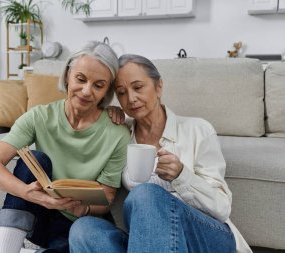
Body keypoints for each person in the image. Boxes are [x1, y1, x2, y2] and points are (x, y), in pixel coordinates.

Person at [69, 54, 252, 253]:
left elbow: (221, 208)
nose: (131, 99)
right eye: (121, 93)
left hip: (207, 236)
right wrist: (103, 117)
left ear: (158, 87)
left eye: (138, 87)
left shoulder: (198, 130)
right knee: (84, 229)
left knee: (145, 194)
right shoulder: (120, 135)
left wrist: (182, 175)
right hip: (149, 238)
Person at [0, 41, 130, 253]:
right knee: (35, 159)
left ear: (107, 90)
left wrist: (83, 207)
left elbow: (107, 198)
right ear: (68, 75)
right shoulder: (40, 116)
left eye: (98, 85)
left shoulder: (118, 134)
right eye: (81, 79)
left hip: (77, 223)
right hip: (38, 214)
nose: (87, 91)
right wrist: (27, 193)